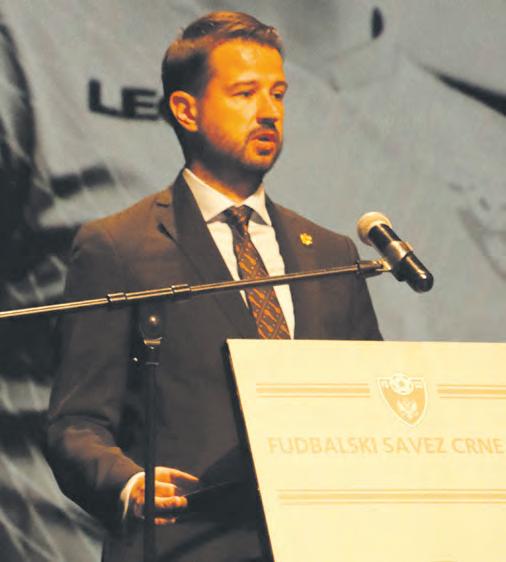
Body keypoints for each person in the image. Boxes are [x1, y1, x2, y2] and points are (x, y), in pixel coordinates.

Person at [47, 11, 381, 562]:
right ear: (186, 109)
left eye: (278, 93)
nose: (269, 111)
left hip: (321, 544)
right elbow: (77, 424)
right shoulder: (118, 246)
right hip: (185, 545)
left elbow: (369, 405)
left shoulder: (330, 253)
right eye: (246, 93)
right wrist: (129, 482)